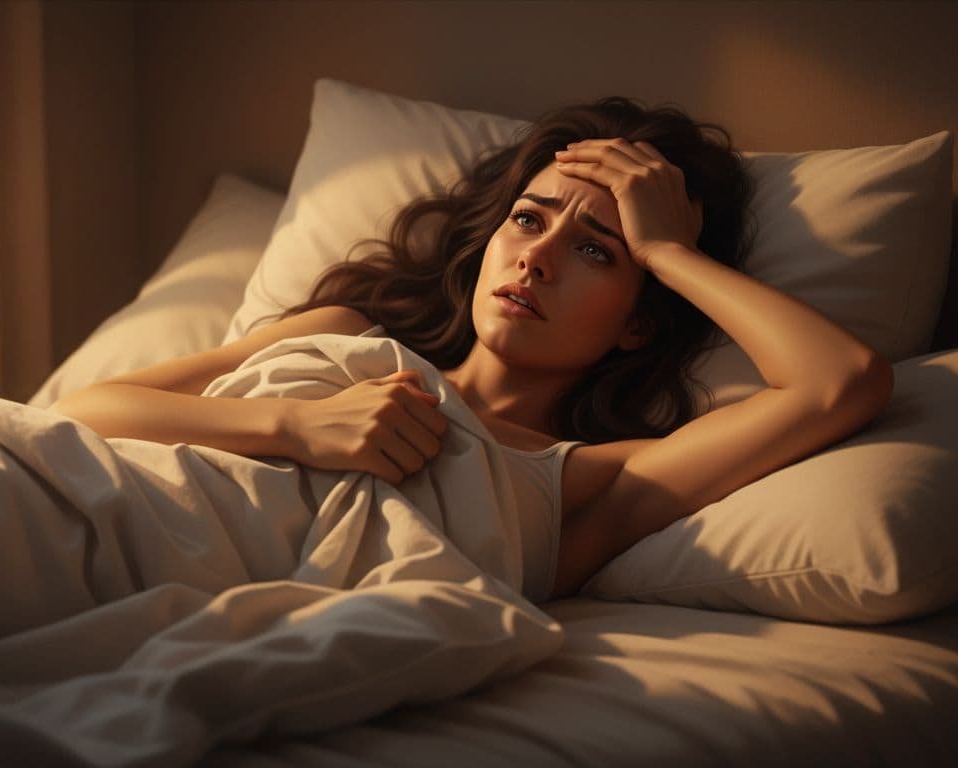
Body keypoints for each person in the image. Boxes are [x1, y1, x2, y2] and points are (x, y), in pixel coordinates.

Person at [49, 96, 894, 600]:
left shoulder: (595, 483)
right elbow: (79, 413)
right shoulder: (348, 335)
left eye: (598, 249)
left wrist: (670, 253)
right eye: (529, 219)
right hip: (84, 511)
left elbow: (840, 382)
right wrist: (295, 428)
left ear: (641, 321)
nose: (538, 256)